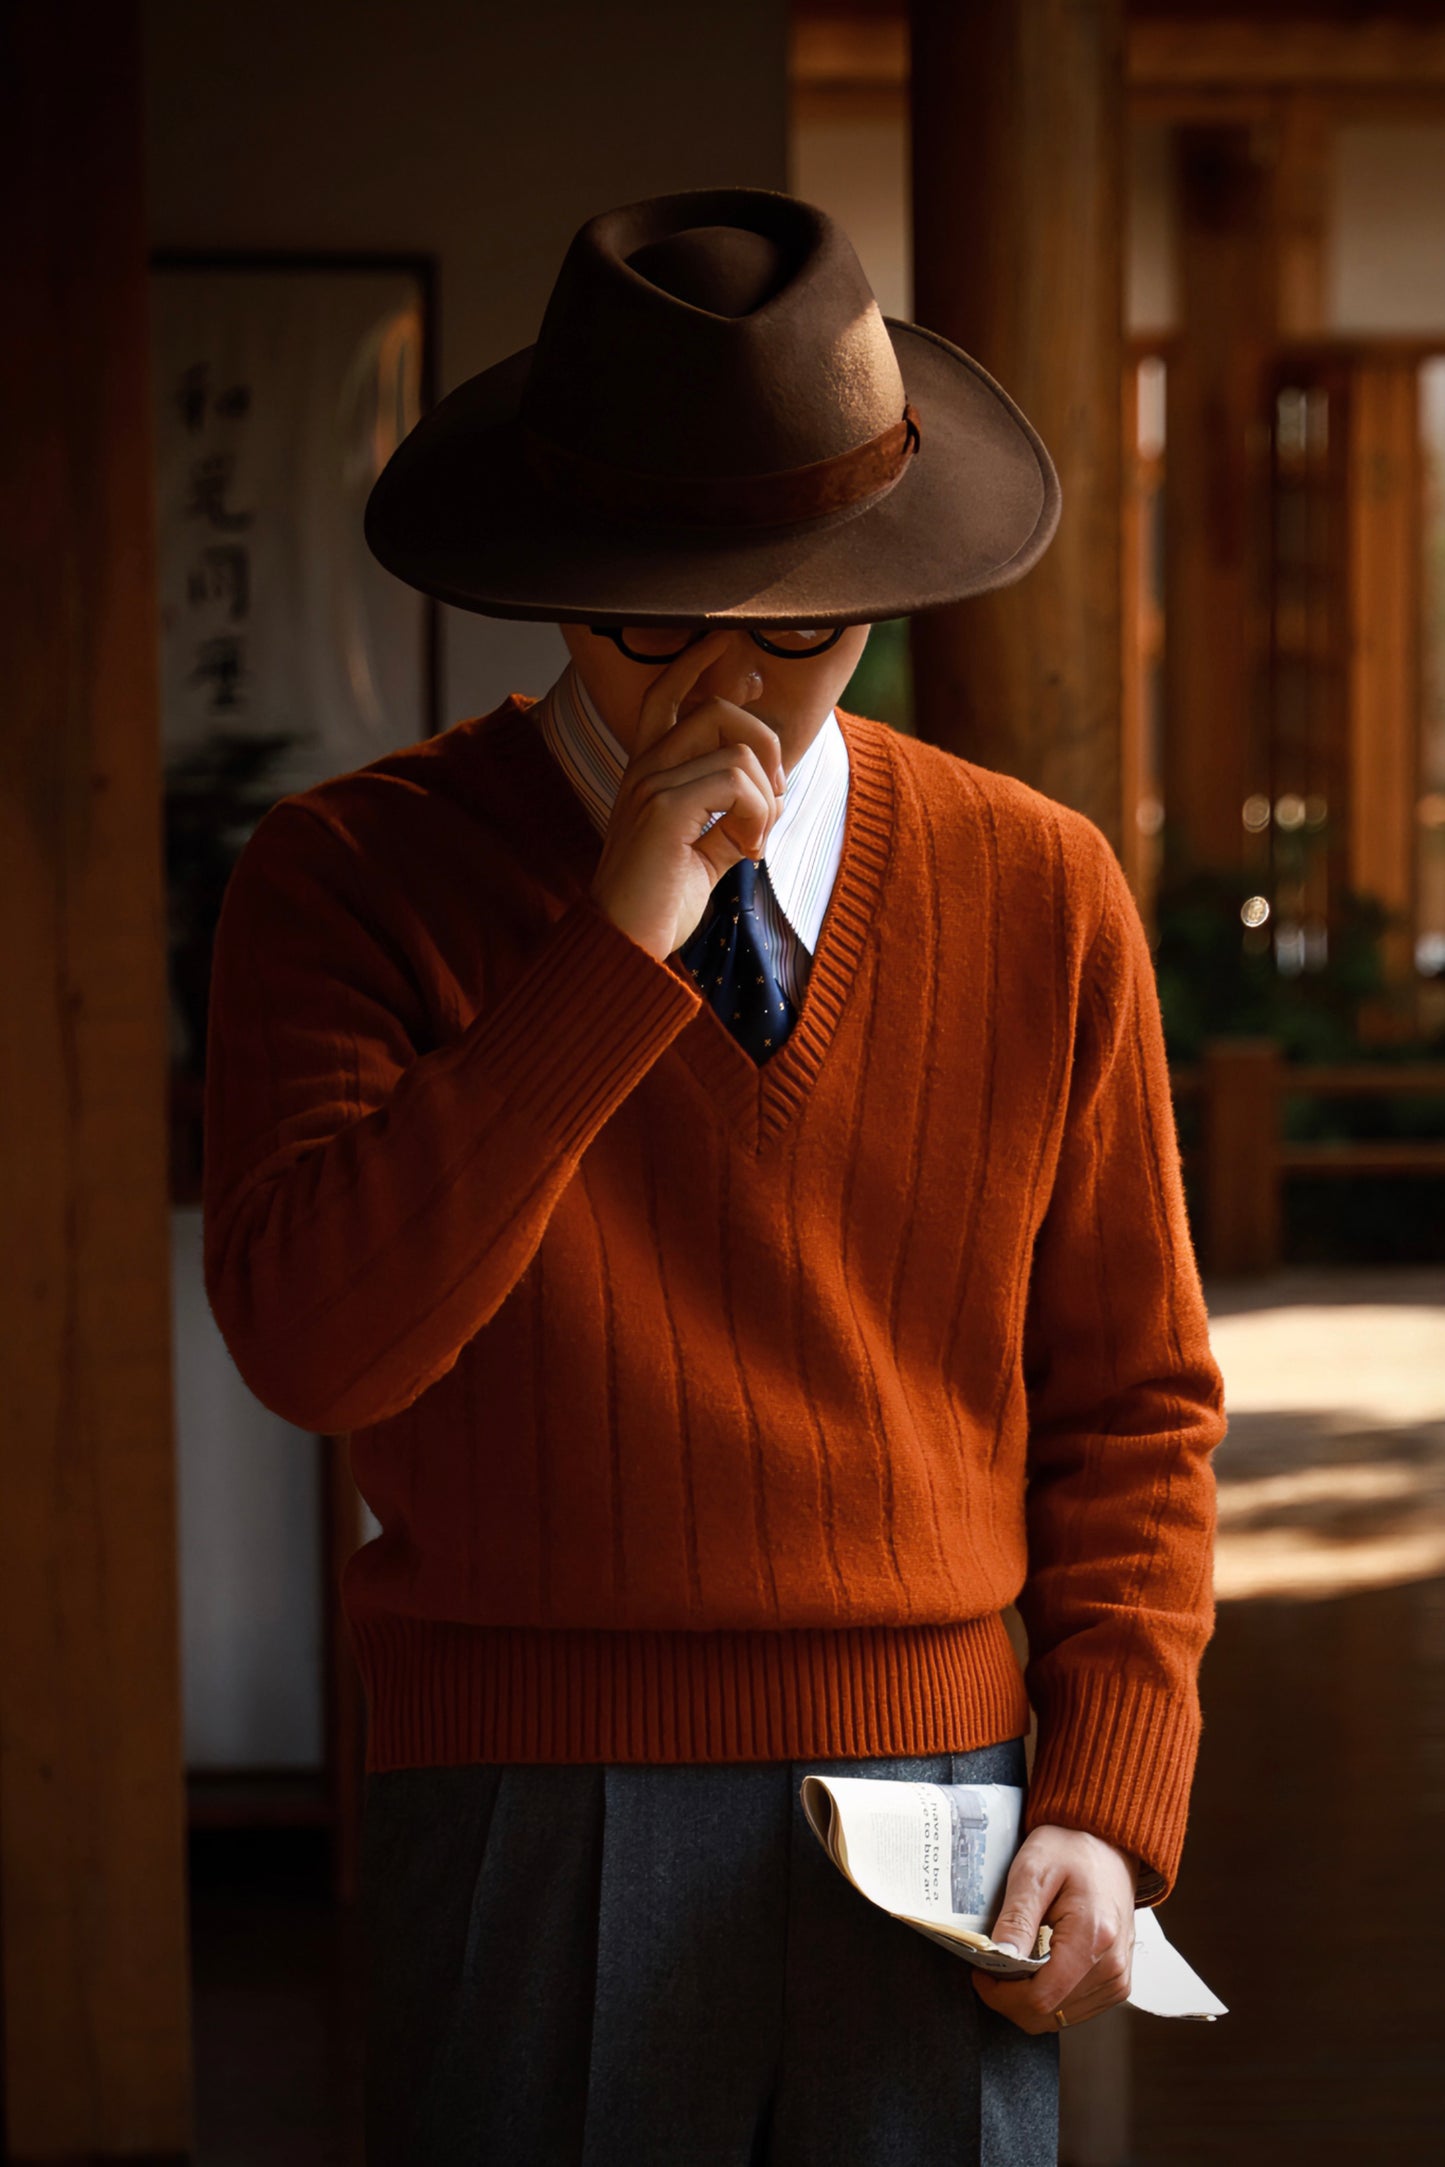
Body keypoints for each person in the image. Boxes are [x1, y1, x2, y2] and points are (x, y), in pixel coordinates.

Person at [201, 187, 1226, 2167]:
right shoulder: (345, 878)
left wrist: (1105, 1794)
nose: (732, 683)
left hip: (943, 1790)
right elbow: (320, 1345)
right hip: (518, 1782)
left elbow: (1136, 1404)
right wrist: (609, 951)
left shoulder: (1040, 887)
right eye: (657, 611)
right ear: (554, 570)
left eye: (812, 619)